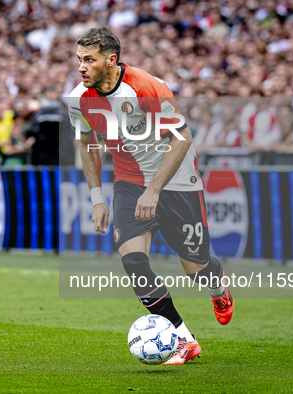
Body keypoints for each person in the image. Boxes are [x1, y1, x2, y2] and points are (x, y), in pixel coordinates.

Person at [67, 26, 234, 366]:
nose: (81, 67)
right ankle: (183, 339)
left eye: (89, 60)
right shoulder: (79, 99)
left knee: (197, 269)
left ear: (111, 60)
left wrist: (154, 190)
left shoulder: (146, 88)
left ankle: (218, 290)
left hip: (176, 183)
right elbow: (86, 144)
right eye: (79, 59)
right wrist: (97, 198)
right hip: (128, 184)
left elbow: (182, 138)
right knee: (133, 261)